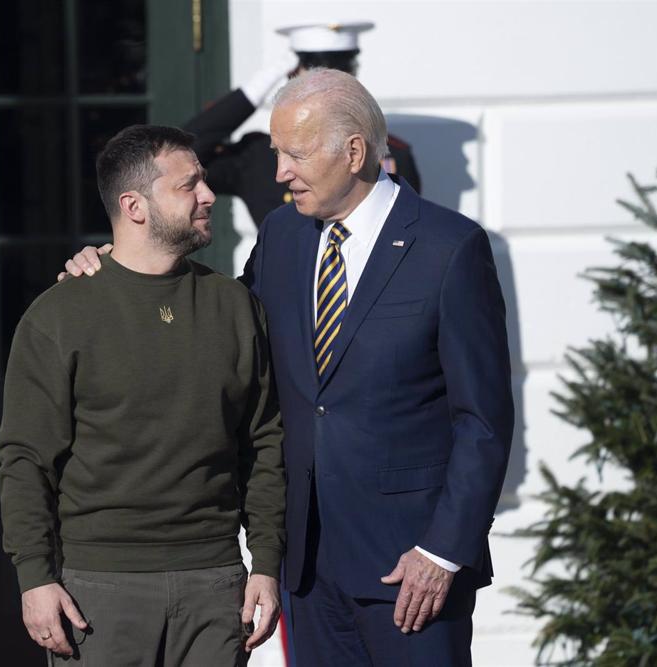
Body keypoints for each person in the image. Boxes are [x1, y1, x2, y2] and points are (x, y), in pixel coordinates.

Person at [64, 69, 513, 666]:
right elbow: (216, 330)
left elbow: (483, 419)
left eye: (293, 154)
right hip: (305, 568)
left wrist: (441, 552)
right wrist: (113, 265)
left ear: (353, 152)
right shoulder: (283, 234)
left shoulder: (449, 247)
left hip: (410, 570)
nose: (278, 173)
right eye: (276, 153)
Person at [0, 125, 285, 665]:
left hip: (216, 585)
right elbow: (25, 459)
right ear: (134, 205)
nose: (208, 195)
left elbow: (264, 443)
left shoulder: (234, 306)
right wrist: (35, 578)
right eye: (188, 185)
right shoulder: (60, 315)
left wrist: (265, 563)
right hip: (98, 591)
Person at [184, 21, 421, 228]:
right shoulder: (256, 156)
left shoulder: (391, 153)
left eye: (341, 76)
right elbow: (186, 151)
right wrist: (259, 87)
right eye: (314, 79)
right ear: (293, 76)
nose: (329, 91)